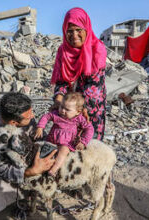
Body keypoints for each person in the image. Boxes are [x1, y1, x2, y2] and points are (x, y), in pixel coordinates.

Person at [0, 92, 57, 219]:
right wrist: (30, 172)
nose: (32, 116)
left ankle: (25, 197)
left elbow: (37, 139)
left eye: (31, 113)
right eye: (28, 116)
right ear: (14, 122)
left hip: (22, 158)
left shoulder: (27, 119)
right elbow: (0, 166)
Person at [51, 7, 107, 140]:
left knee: (89, 141)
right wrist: (59, 100)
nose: (74, 35)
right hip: (69, 105)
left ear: (86, 30)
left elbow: (93, 89)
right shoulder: (63, 51)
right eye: (69, 31)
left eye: (78, 30)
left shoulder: (97, 50)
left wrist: (81, 109)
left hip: (91, 105)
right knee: (66, 141)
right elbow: (61, 81)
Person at [34, 92, 94, 177]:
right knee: (43, 149)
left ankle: (54, 169)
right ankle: (40, 167)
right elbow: (46, 116)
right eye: (61, 107)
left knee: (64, 151)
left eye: (67, 109)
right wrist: (40, 127)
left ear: (78, 112)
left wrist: (83, 142)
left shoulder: (79, 118)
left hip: (66, 144)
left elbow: (90, 128)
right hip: (51, 140)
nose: (62, 111)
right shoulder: (56, 114)